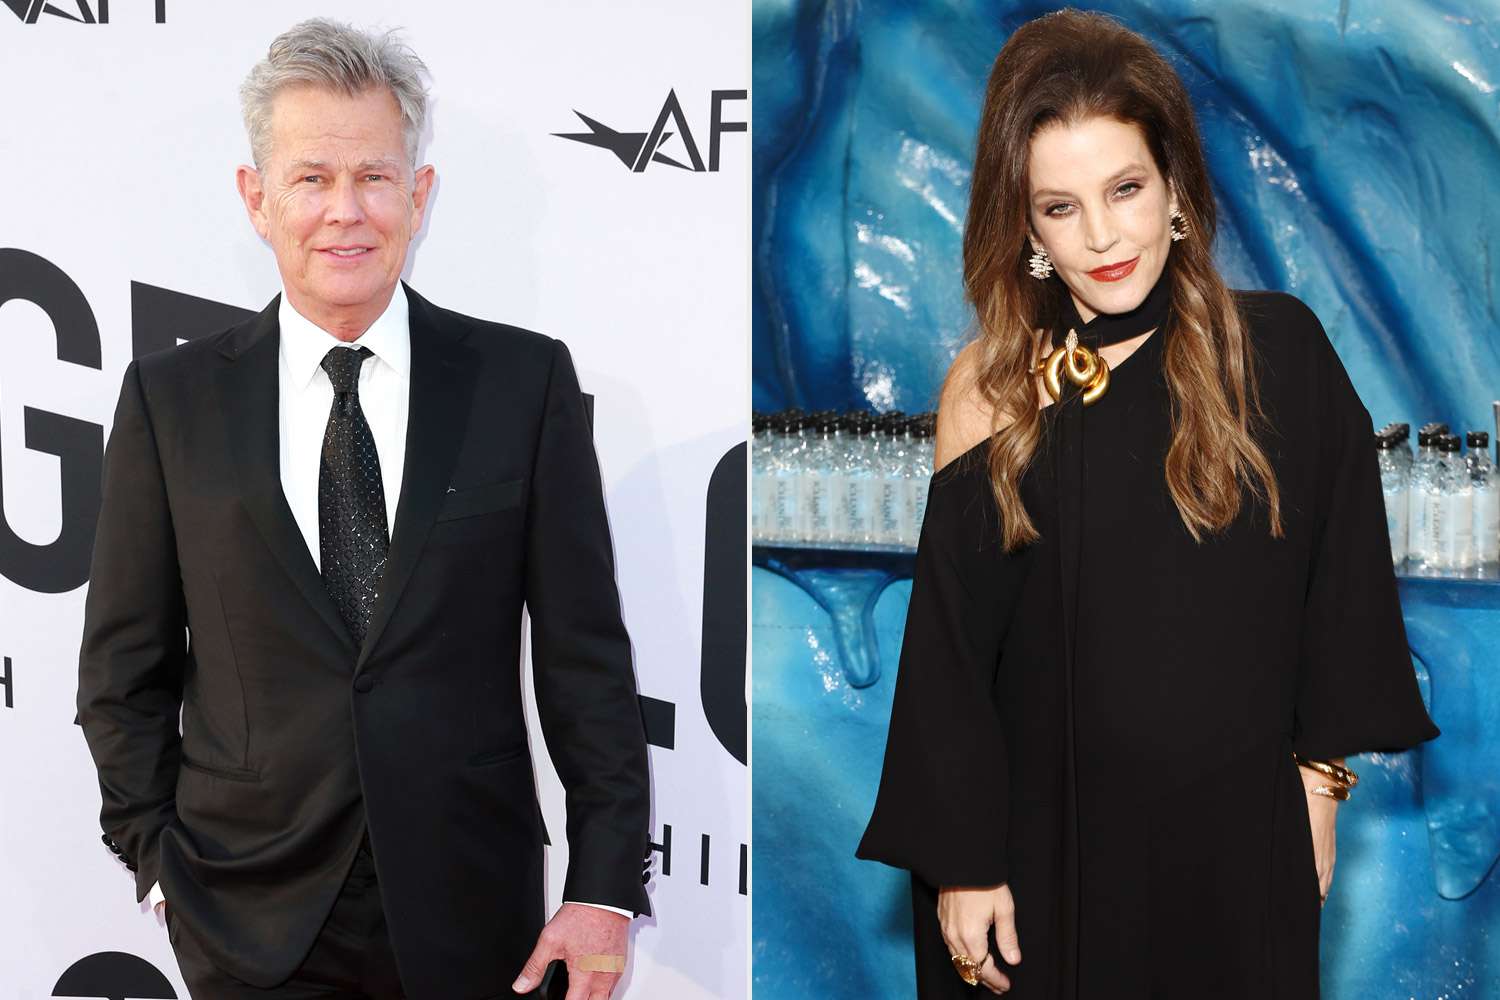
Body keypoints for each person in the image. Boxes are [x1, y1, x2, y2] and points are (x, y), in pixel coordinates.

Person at [855, 9, 1439, 998]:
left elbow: (1340, 588)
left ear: (1174, 186)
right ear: (1026, 226)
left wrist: (1318, 785)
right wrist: (962, 860)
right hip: (1037, 864)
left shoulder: (1278, 352)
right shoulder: (992, 387)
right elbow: (951, 651)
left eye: (1124, 189)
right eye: (1060, 207)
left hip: (1235, 853)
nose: (1101, 236)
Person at [75, 18, 650, 1000]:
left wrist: (603, 886)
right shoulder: (169, 404)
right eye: (311, 179)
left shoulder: (524, 385)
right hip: (243, 920)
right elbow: (123, 673)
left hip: (474, 922)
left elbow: (586, 666)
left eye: (375, 177)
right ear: (256, 200)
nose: (346, 211)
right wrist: (159, 868)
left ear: (419, 196)